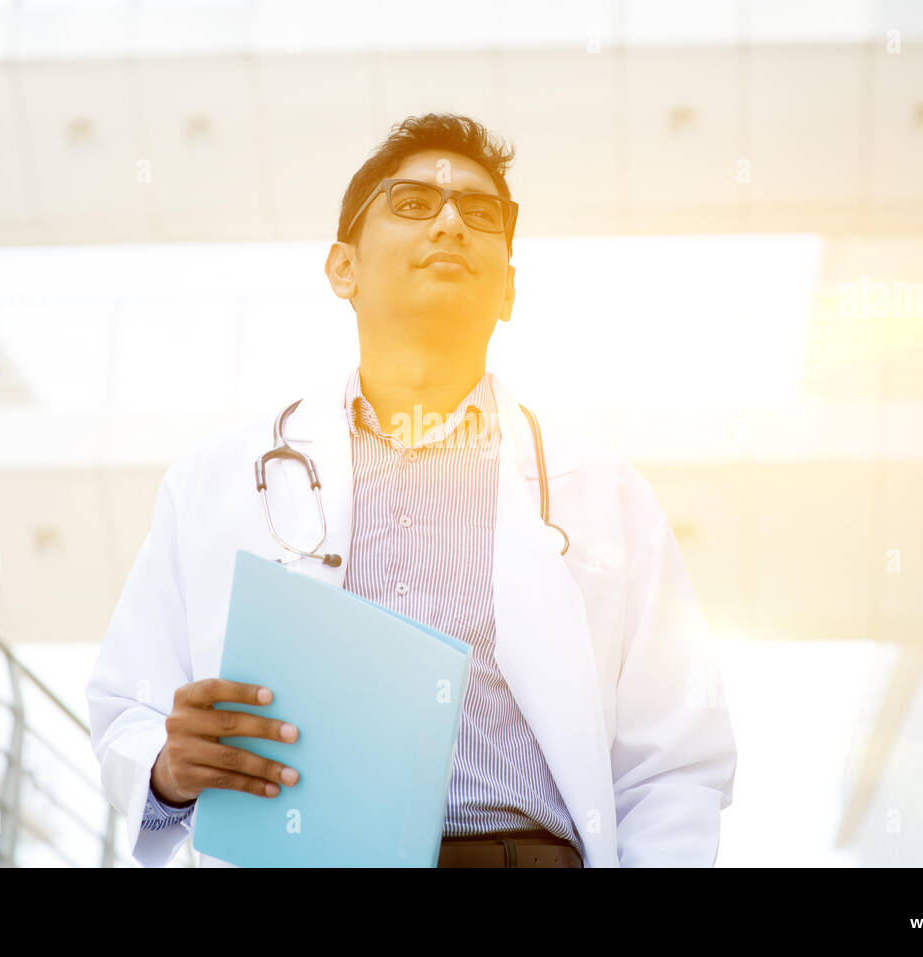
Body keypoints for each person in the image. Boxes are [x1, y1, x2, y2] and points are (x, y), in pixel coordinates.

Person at [86, 112, 736, 868]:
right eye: (414, 204)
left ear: (509, 291)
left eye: (481, 213)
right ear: (342, 269)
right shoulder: (214, 482)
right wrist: (166, 772)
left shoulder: (606, 495)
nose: (453, 221)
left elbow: (675, 761)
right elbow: (127, 706)